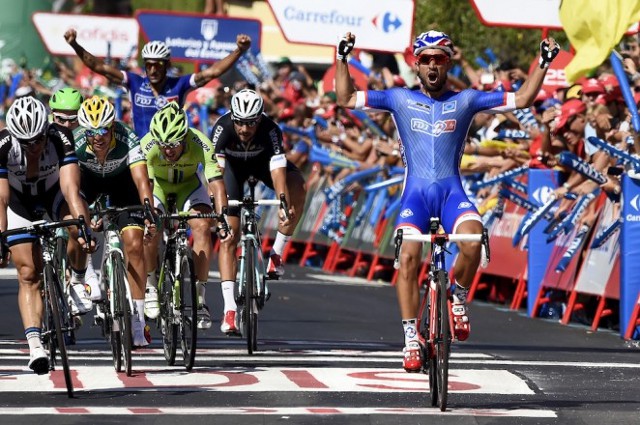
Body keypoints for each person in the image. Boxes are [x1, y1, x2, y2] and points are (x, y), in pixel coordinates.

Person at [335, 30, 559, 371]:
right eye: (425, 60)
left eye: (439, 59)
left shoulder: (467, 100)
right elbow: (346, 99)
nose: (432, 66)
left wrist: (542, 63)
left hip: (452, 193)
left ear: (447, 63)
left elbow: (524, 98)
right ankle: (411, 337)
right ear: (416, 64)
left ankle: (456, 294)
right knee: (409, 256)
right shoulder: (399, 99)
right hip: (416, 196)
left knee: (472, 239)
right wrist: (342, 59)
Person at [0, 96, 94, 374]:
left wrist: (84, 229)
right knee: (28, 272)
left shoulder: (60, 138)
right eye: (26, 142)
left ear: (47, 130)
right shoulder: (4, 146)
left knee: (76, 224)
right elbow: (1, 200)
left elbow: (70, 190)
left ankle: (77, 279)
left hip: (54, 194)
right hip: (19, 203)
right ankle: (35, 345)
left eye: (38, 139)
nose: (34, 146)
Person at [210, 89, 306, 334]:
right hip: (232, 170)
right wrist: (219, 206)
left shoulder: (271, 130)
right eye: (239, 123)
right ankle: (229, 310)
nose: (244, 129)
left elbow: (277, 169)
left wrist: (283, 202)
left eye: (250, 123)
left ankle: (276, 254)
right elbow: (215, 173)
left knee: (297, 186)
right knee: (229, 235)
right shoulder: (222, 128)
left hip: (263, 165)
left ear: (260, 119)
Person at [71, 95, 156, 347]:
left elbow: (141, 180)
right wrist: (85, 217)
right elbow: (72, 188)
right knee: (77, 226)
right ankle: (85, 274)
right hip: (89, 184)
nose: (98, 136)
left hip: (123, 186)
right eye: (92, 131)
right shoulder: (75, 143)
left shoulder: (128, 137)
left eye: (104, 130)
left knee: (134, 245)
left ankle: (138, 320)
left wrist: (149, 209)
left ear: (113, 127)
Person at [63, 29, 251, 138]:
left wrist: (239, 51)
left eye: (158, 65)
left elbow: (213, 72)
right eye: (149, 65)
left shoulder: (180, 85)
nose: (153, 70)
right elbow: (100, 67)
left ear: (167, 65)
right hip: (142, 154)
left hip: (171, 151)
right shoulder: (134, 82)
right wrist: (74, 45)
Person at [141, 102, 231, 329]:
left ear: (184, 137)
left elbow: (217, 185)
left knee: (202, 226)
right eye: (163, 145)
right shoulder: (148, 146)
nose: (168, 150)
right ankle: (151, 284)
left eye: (173, 144)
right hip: (158, 188)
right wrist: (150, 217)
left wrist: (223, 219)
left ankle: (200, 300)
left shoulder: (200, 142)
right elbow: (146, 187)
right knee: (152, 228)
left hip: (189, 187)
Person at [49, 88, 102, 301]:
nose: (68, 124)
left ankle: (83, 271)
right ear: (52, 114)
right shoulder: (46, 132)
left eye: (74, 119)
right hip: (52, 192)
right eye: (61, 118)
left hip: (81, 191)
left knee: (78, 228)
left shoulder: (90, 135)